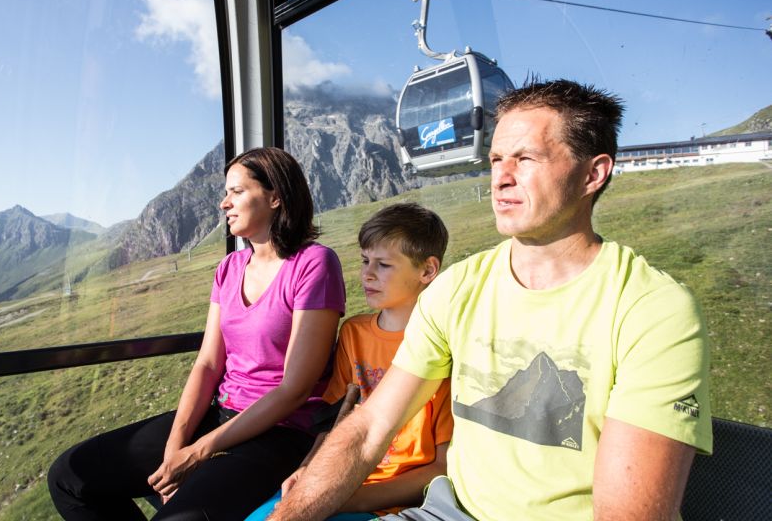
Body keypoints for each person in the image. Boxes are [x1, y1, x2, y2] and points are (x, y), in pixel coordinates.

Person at [268, 79, 713, 521]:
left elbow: (625, 514)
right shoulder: (457, 288)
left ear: (592, 174)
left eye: (526, 158)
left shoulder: (653, 310)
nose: (500, 177)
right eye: (497, 158)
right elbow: (370, 429)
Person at [48, 147, 346, 521]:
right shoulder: (229, 268)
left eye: (236, 191)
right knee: (70, 478)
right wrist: (175, 447)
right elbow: (208, 364)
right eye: (226, 193)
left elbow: (294, 389)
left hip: (281, 432)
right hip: (222, 414)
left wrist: (200, 451)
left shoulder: (314, 264)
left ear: (275, 197)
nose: (224, 203)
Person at [246, 202, 453, 521]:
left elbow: (440, 467)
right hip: (336, 480)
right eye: (364, 260)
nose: (367, 274)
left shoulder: (444, 346)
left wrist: (352, 499)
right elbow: (334, 421)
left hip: (391, 501)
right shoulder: (354, 332)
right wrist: (308, 469)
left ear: (427, 270)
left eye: (383, 265)